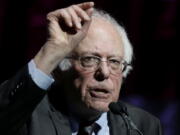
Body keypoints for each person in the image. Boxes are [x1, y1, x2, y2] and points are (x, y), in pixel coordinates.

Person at [0, 2, 162, 135]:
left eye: (114, 62)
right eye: (90, 59)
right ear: (60, 69)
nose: (104, 73)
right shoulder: (30, 117)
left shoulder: (143, 126)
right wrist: (51, 52)